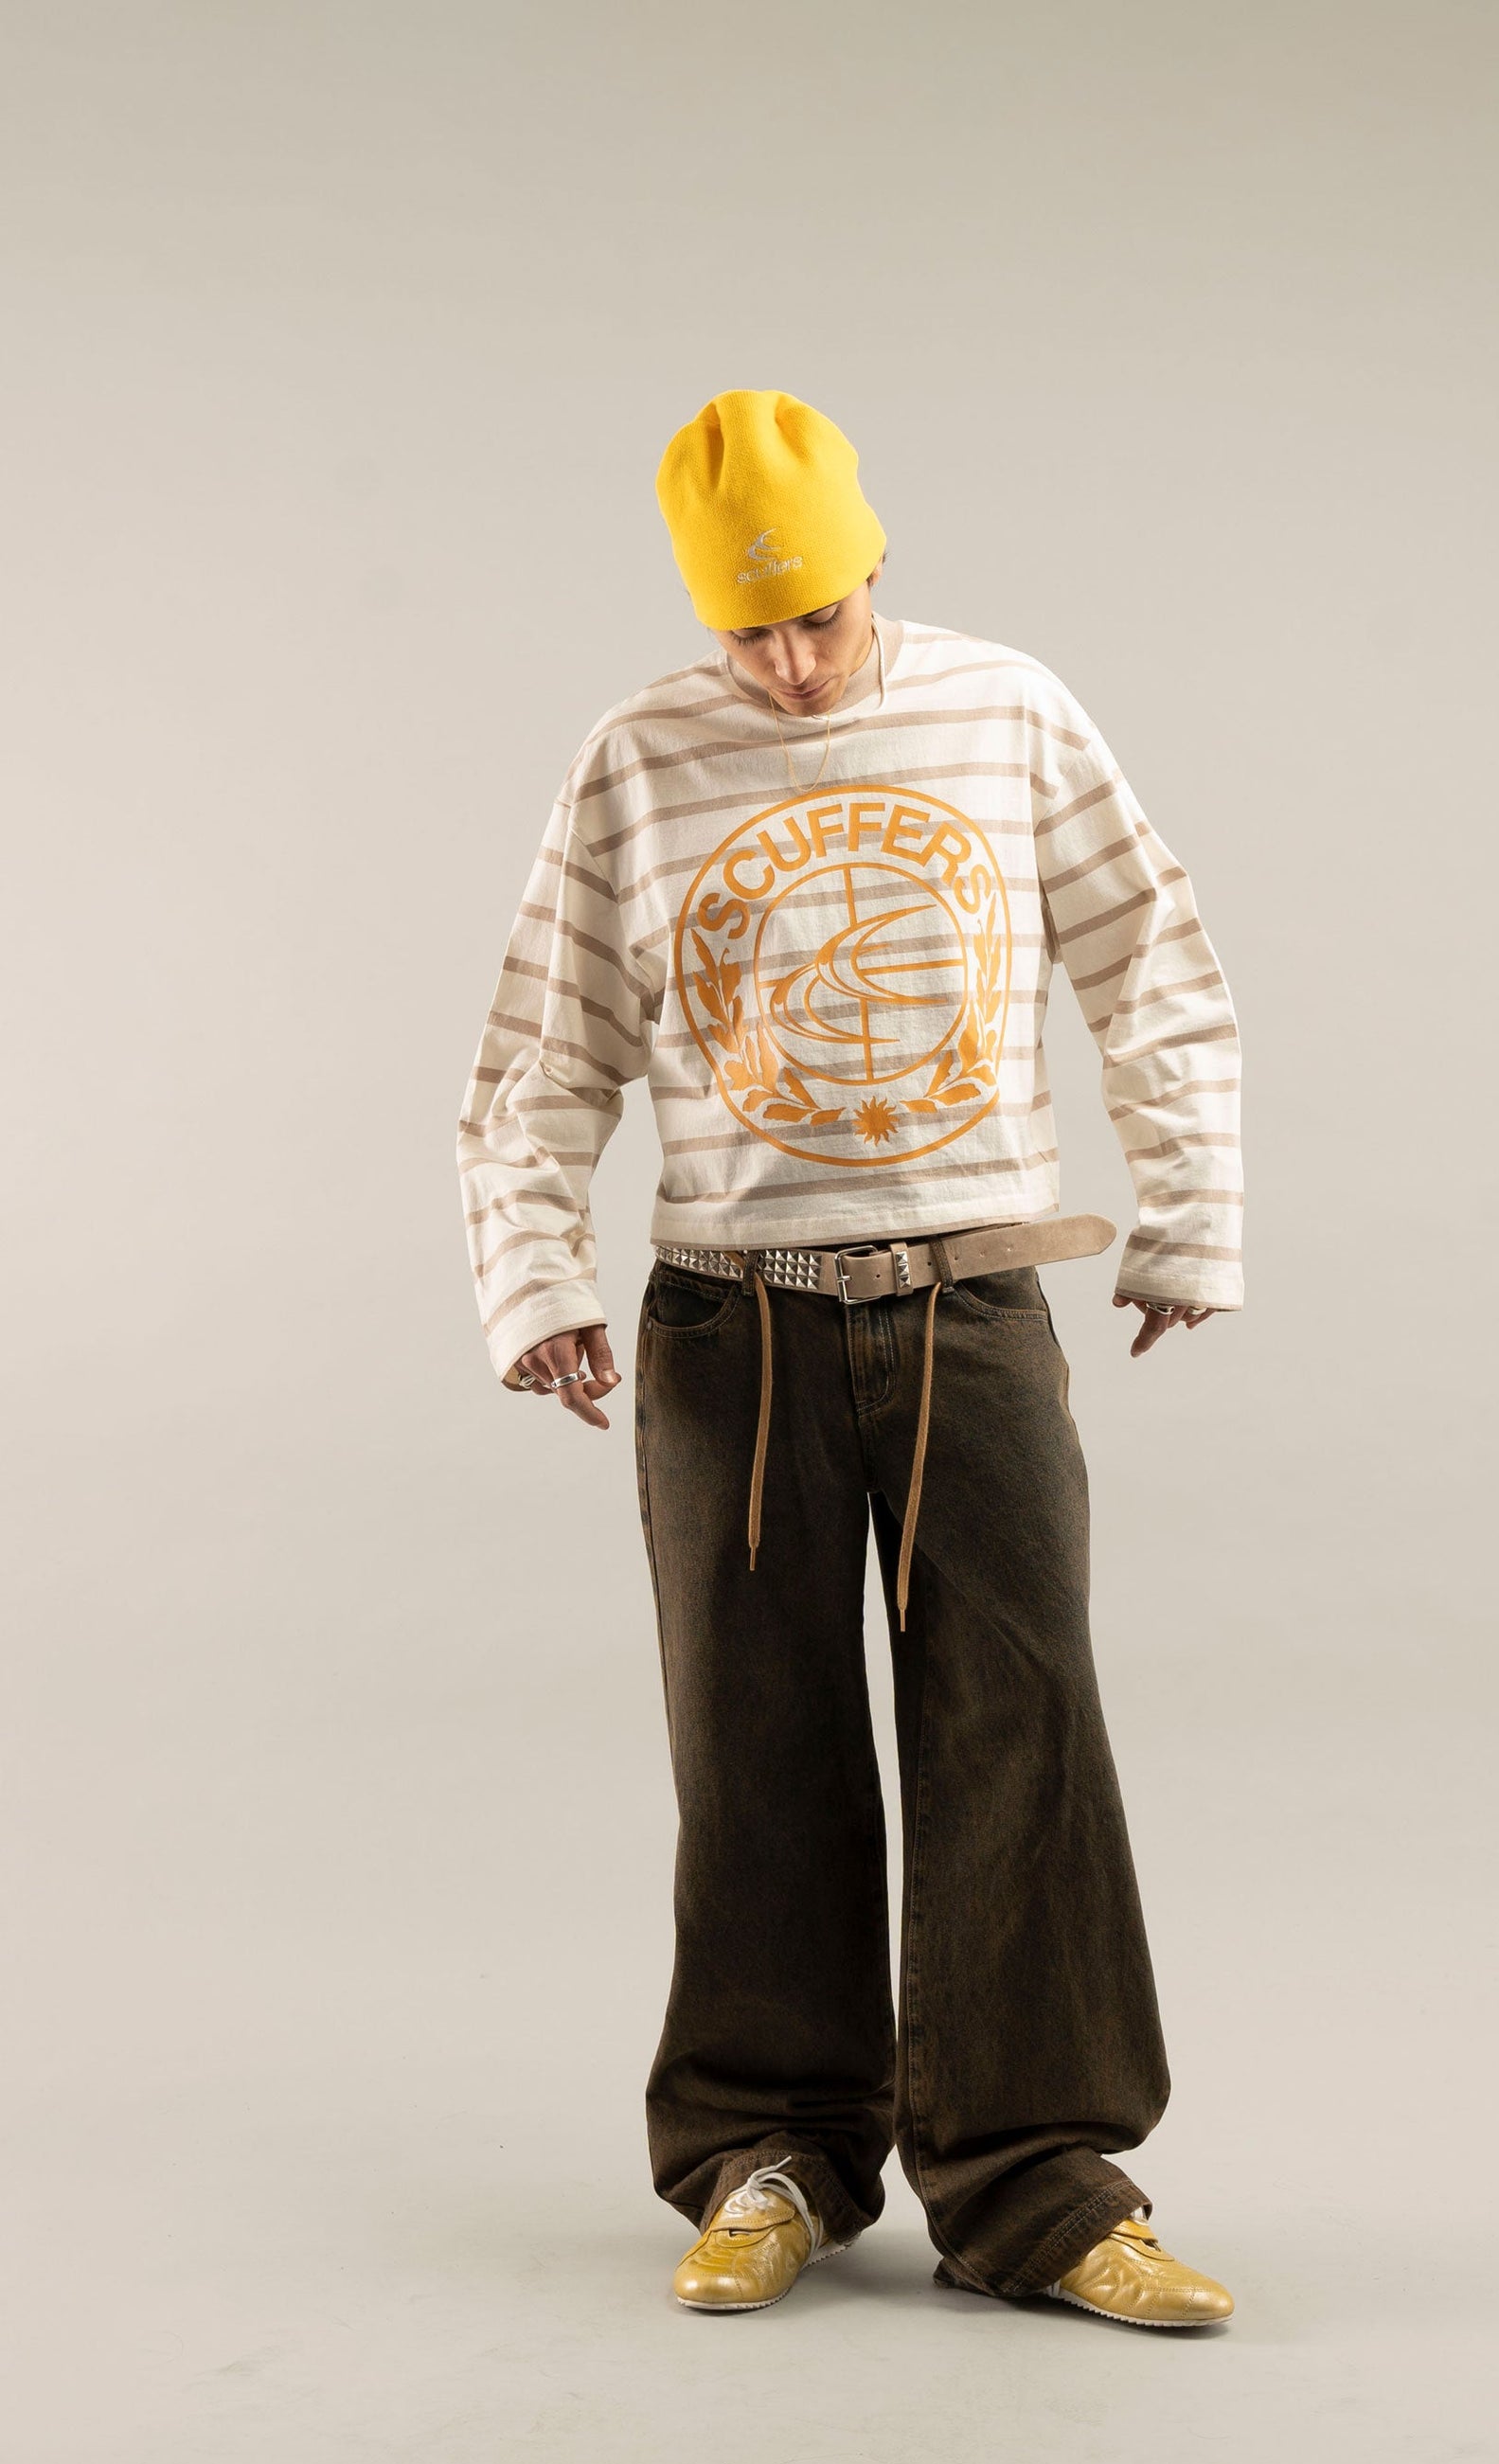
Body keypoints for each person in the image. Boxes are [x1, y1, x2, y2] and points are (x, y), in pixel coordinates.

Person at [458, 389, 1243, 2329]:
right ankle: (770, 2151)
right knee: (754, 1735)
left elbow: (1148, 956)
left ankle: (1036, 2187)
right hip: (729, 1326)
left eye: (817, 615)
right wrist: (534, 1277)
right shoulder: (639, 757)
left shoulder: (1008, 710)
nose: (792, 666)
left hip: (970, 1304)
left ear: (873, 558)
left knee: (1019, 1724)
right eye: (750, 632)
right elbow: (546, 1041)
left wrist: (1189, 1213)